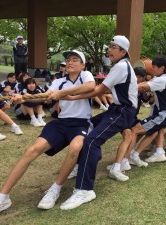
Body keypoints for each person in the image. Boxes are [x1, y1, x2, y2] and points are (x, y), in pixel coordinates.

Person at [0, 49, 96, 215]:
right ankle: (3, 197)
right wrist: (23, 98)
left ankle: (55, 188)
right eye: (68, 60)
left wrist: (61, 94)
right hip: (61, 123)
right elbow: (45, 96)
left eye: (74, 59)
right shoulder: (59, 81)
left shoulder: (86, 76)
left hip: (81, 124)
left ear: (83, 65)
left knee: (75, 148)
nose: (70, 62)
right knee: (31, 150)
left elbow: (91, 86)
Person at [60, 35, 138, 209]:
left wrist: (73, 97)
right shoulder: (121, 66)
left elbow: (100, 89)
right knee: (86, 127)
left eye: (113, 47)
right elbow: (106, 90)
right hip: (117, 109)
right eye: (109, 46)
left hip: (124, 111)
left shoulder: (121, 66)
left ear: (123, 51)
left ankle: (85, 189)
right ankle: (83, 163)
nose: (109, 50)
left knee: (92, 141)